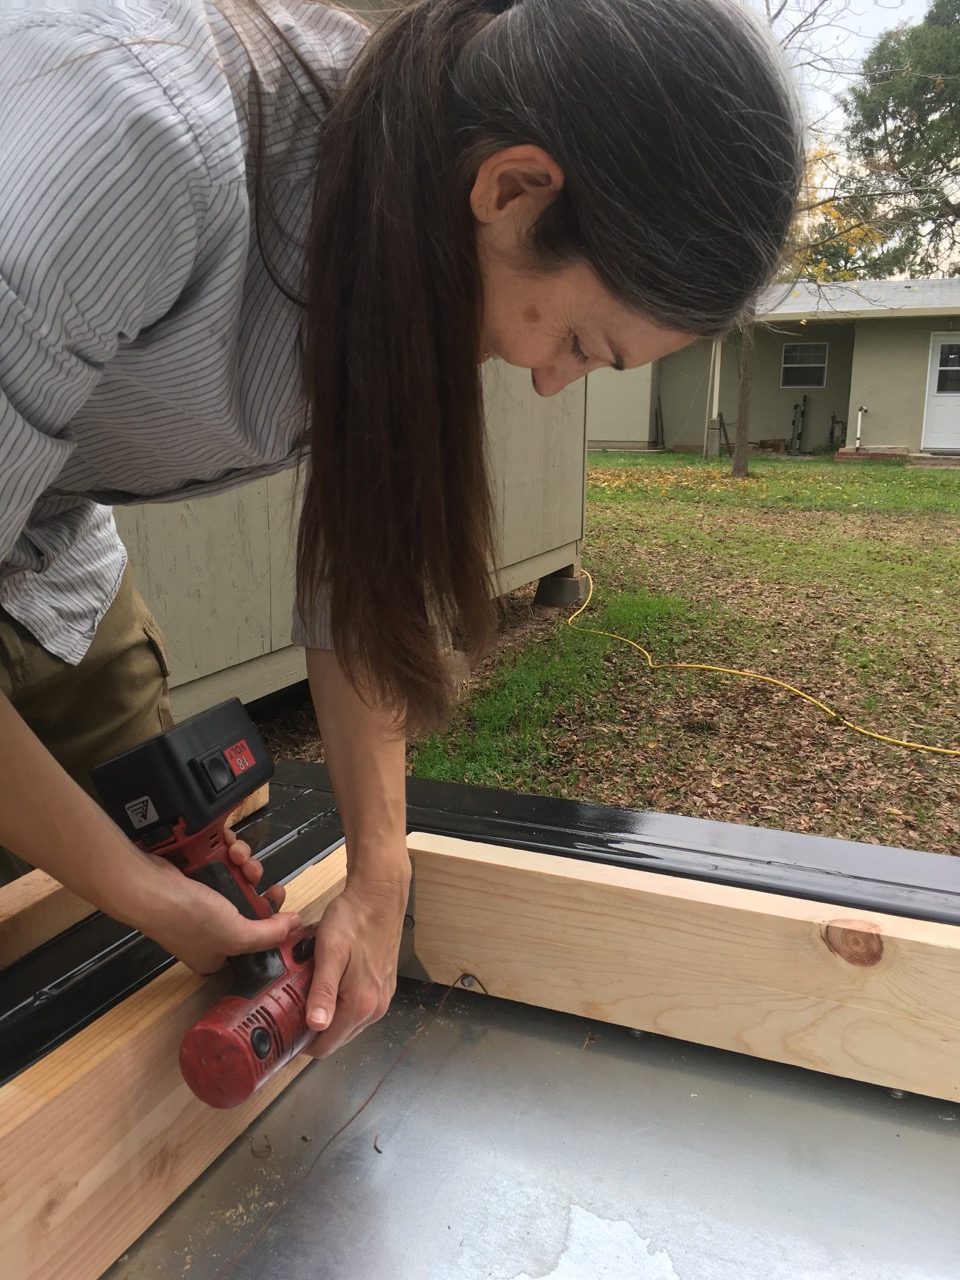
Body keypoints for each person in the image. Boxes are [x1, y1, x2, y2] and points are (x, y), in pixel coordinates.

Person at [0, 0, 805, 1059]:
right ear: (512, 190)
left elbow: (360, 573)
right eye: (579, 339)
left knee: (156, 877)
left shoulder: (405, 221)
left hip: (49, 555)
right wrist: (134, 890)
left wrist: (381, 871)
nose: (551, 381)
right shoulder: (129, 150)